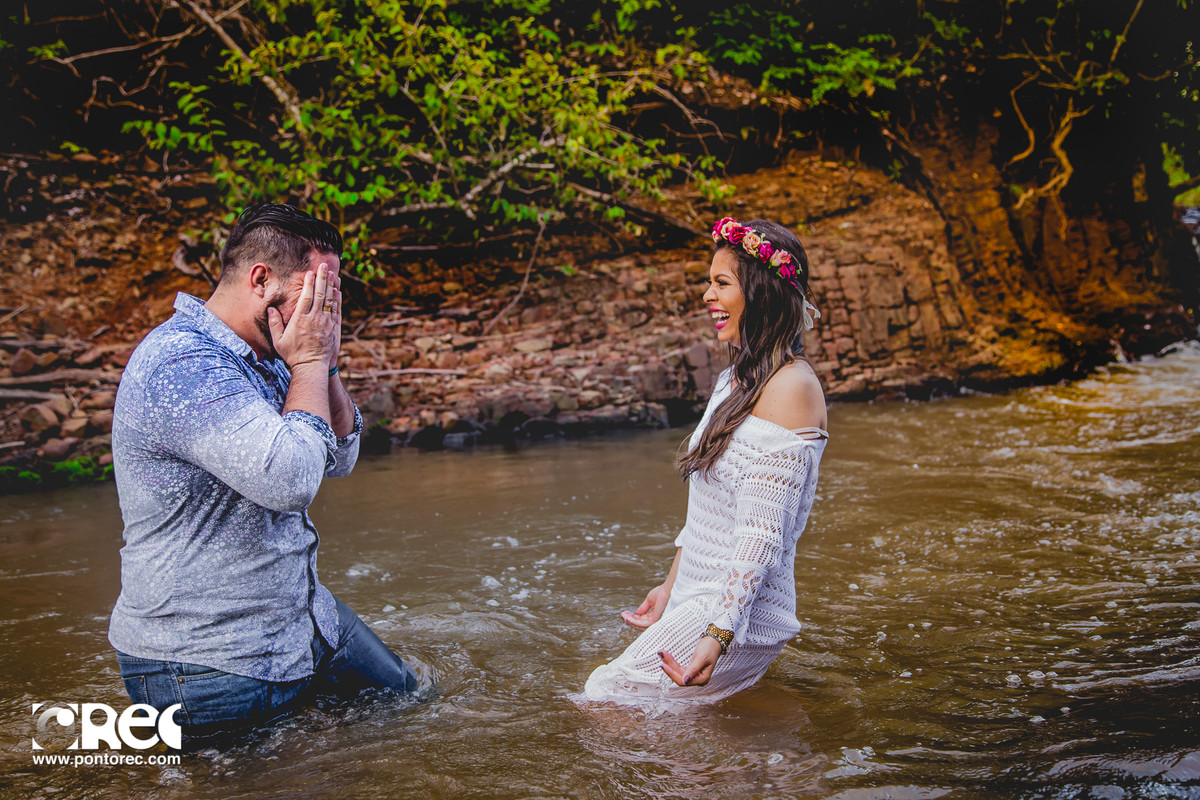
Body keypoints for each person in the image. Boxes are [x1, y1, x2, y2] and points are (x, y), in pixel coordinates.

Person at [108, 203, 419, 748]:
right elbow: (290, 481)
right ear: (261, 279)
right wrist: (308, 363)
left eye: (333, 296)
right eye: (316, 293)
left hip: (298, 616)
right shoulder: (183, 367)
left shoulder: (272, 352)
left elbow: (339, 457)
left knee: (410, 703)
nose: (324, 311)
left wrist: (325, 363)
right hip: (206, 656)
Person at [582, 216, 828, 706]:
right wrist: (669, 587)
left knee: (606, 697)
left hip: (741, 615)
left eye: (721, 283)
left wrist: (717, 635)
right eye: (708, 282)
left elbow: (759, 537)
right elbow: (710, 511)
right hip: (702, 596)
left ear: (760, 292)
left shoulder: (793, 389)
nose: (706, 295)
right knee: (666, 729)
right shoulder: (736, 379)